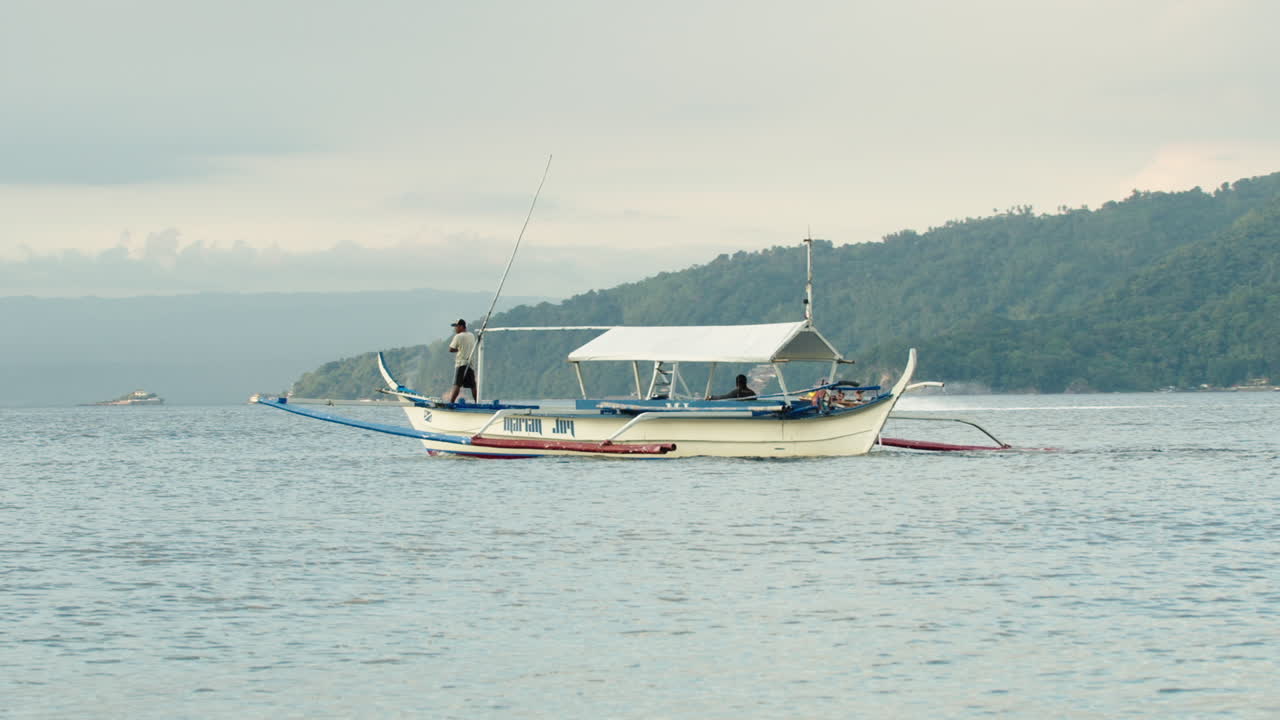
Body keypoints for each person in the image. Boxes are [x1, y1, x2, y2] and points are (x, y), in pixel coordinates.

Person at [445, 318, 478, 403]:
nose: (455, 329)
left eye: (456, 326)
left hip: (461, 363)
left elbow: (451, 349)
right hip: (469, 363)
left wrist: (458, 349)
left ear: (461, 326)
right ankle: (477, 402)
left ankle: (451, 402)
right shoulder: (471, 335)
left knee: (457, 384)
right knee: (473, 385)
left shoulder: (458, 336)